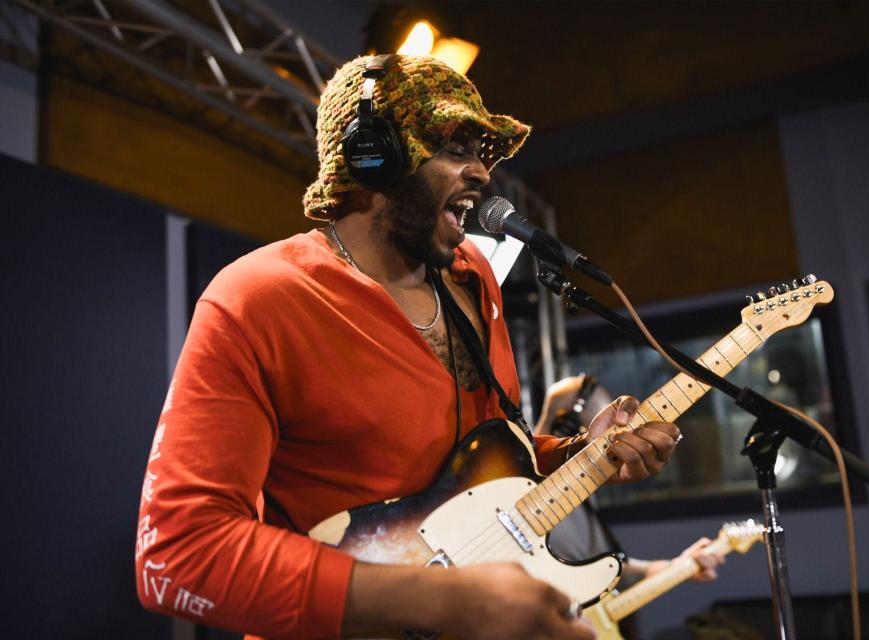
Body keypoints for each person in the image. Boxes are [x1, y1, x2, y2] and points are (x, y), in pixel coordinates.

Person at [135, 54, 681, 640]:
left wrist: (581, 455)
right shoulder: (260, 298)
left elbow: (482, 469)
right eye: (456, 149)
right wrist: (443, 601)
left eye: (482, 152)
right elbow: (177, 553)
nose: (481, 173)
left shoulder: (473, 278)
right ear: (373, 157)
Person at [536, 375, 725, 636]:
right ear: (565, 430)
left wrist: (676, 567)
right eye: (602, 432)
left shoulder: (580, 496)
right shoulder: (541, 495)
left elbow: (598, 566)